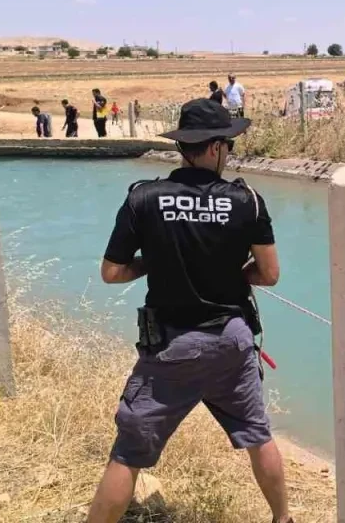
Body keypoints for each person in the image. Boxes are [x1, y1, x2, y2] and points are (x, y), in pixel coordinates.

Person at [87, 98, 292, 523]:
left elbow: (111, 272)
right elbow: (269, 274)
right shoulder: (247, 200)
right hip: (230, 341)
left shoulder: (143, 198)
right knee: (258, 434)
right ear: (216, 148)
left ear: (184, 147)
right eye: (229, 146)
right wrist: (231, 274)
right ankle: (283, 519)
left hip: (170, 346)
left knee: (127, 453)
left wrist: (155, 262)